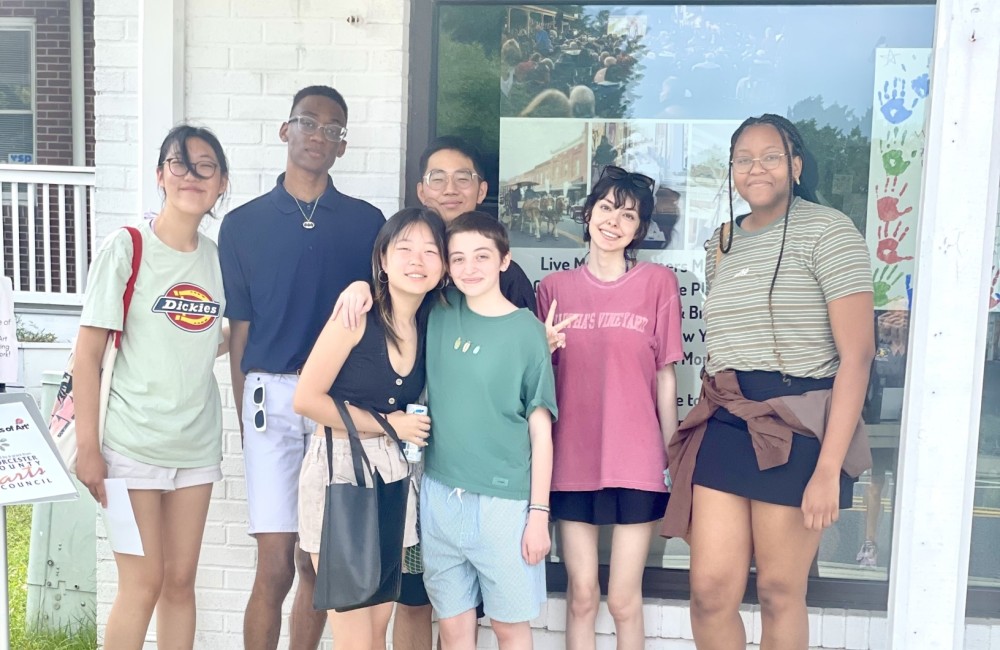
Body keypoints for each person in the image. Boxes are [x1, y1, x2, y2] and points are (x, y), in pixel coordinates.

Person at [662, 114, 874, 650]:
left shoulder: (829, 231)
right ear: (732, 170)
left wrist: (828, 468)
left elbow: (858, 357)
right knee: (709, 593)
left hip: (797, 424)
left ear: (796, 166)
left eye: (771, 157)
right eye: (744, 159)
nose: (756, 168)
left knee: (780, 592)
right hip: (729, 418)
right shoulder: (721, 242)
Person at [333, 136, 536, 650]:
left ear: (482, 190)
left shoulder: (508, 282)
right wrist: (360, 286)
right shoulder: (412, 267)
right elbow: (383, 301)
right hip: (404, 461)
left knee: (457, 605)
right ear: (421, 189)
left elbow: (525, 379)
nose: (450, 188)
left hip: (477, 478)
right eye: (437, 178)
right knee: (413, 595)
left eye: (462, 177)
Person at [218, 85, 385, 650]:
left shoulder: (367, 223)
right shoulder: (242, 225)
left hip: (336, 402)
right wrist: (244, 416)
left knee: (317, 563)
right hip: (270, 398)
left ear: (343, 146)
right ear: (285, 130)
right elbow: (240, 333)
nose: (318, 135)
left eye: (332, 128)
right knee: (274, 568)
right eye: (308, 122)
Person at [75, 125, 230, 649]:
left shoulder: (216, 259)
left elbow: (206, 337)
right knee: (141, 584)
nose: (191, 175)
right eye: (178, 163)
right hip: (127, 447)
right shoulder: (126, 246)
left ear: (221, 183)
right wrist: (89, 449)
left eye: (205, 166)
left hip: (196, 447)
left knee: (180, 583)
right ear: (160, 175)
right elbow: (88, 355)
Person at [536, 166, 683, 650]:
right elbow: (539, 383)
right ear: (587, 214)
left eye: (628, 215)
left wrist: (673, 456)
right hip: (571, 459)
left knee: (622, 599)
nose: (613, 222)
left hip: (638, 460)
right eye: (605, 208)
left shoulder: (658, 283)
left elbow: (665, 376)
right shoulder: (552, 290)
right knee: (581, 595)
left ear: (640, 229)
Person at [293, 208, 447, 650]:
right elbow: (306, 399)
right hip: (341, 472)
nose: (417, 260)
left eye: (430, 251)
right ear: (382, 259)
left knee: (377, 628)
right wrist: (389, 425)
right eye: (405, 248)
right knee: (355, 636)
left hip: (393, 477)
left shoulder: (428, 323)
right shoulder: (355, 316)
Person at [422, 211, 557, 650]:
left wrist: (539, 514)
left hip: (505, 503)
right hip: (439, 493)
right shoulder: (438, 311)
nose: (469, 268)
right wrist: (359, 288)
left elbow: (541, 430)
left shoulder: (527, 331)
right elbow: (394, 288)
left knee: (509, 628)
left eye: (482, 256)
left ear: (504, 260)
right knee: (453, 628)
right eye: (457, 258)